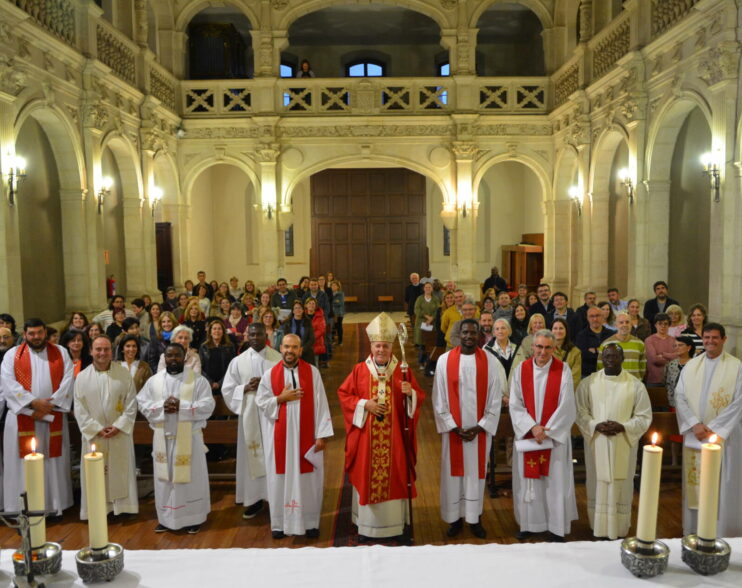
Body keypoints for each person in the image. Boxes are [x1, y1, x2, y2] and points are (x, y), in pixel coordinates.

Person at [337, 312, 425, 543]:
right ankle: (367, 527)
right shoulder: (359, 370)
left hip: (395, 440)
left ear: (391, 347)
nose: (381, 350)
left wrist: (410, 395)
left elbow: (418, 399)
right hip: (367, 439)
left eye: (385, 346)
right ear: (371, 346)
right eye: (377, 346)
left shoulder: (403, 371)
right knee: (368, 474)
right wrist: (366, 404)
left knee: (395, 475)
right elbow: (344, 395)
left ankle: (394, 526)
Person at [256, 334, 333, 538]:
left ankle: (310, 523)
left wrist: (322, 435)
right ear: (280, 348)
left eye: (294, 347)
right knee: (279, 479)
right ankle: (280, 525)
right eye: (286, 346)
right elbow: (261, 403)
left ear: (300, 350)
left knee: (309, 480)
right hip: (280, 438)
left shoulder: (312, 372)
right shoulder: (270, 375)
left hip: (306, 438)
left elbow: (322, 403)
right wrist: (280, 398)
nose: (290, 350)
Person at [433, 320, 504, 539]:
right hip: (454, 432)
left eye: (473, 333)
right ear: (459, 334)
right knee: (453, 476)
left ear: (479, 335)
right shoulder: (444, 361)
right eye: (465, 332)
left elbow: (495, 398)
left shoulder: (491, 362)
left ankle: (475, 519)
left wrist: (480, 427)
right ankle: (454, 519)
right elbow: (439, 397)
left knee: (476, 475)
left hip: (478, 433)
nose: (469, 336)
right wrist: (453, 427)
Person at [137, 342, 215, 534]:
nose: (173, 359)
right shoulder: (154, 381)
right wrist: (161, 407)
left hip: (190, 440)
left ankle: (193, 518)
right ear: (164, 357)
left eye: (177, 356)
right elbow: (142, 403)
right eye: (169, 356)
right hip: (163, 438)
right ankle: (166, 518)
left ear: (185, 356)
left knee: (191, 480)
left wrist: (183, 406)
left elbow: (208, 406)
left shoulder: (198, 381)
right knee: (165, 481)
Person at [575, 344, 651, 539]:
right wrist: (595, 425)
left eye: (615, 356)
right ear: (601, 357)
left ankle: (619, 528)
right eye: (607, 356)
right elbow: (580, 411)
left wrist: (623, 427)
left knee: (621, 483)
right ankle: (597, 526)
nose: (610, 359)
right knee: (597, 481)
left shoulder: (635, 385)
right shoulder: (589, 383)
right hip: (597, 442)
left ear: (622, 357)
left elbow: (644, 416)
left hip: (622, 442)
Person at [509, 330, 577, 542]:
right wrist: (532, 427)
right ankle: (529, 524)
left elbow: (567, 405)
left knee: (554, 482)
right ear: (533, 347)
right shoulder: (522, 369)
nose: (542, 351)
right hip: (529, 437)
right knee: (528, 482)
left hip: (552, 439)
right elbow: (515, 403)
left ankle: (556, 527)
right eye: (539, 346)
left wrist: (547, 430)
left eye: (548, 347)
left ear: (554, 348)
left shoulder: (563, 369)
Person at [674, 323, 742, 537]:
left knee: (723, 484)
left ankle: (722, 532)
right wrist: (695, 424)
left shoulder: (737, 367)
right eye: (706, 337)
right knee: (696, 485)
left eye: (714, 338)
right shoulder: (692, 366)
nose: (710, 341)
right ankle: (695, 530)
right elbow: (680, 396)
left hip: (724, 437)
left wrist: (713, 428)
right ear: (701, 339)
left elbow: (738, 402)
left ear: (723, 339)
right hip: (696, 436)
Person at [2, 318, 74, 515]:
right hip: (22, 417)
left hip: (53, 417)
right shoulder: (12, 355)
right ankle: (22, 508)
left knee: (52, 462)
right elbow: (8, 384)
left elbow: (68, 381)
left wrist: (49, 405)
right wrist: (34, 404)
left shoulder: (60, 352)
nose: (36, 337)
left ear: (45, 332)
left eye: (39, 333)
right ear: (25, 334)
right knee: (22, 466)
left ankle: (53, 506)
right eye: (31, 333)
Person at [74, 335, 139, 519]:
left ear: (112, 350)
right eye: (98, 349)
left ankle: (124, 508)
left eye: (106, 349)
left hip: (119, 434)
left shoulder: (123, 374)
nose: (102, 353)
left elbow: (132, 403)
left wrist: (119, 426)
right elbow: (79, 408)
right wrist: (95, 429)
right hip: (95, 436)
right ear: (91, 351)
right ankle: (96, 510)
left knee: (120, 470)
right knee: (97, 474)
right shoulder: (82, 377)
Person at [222, 323, 282, 520]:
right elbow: (228, 390)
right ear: (247, 336)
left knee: (273, 456)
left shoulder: (277, 359)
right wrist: (246, 387)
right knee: (251, 458)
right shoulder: (238, 362)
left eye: (259, 334)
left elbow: (286, 386)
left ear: (266, 334)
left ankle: (276, 498)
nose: (255, 337)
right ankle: (254, 499)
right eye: (252, 334)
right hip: (249, 416)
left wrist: (267, 387)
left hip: (272, 417)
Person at [597, 311, 647, 381]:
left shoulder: (640, 344)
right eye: (621, 322)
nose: (624, 325)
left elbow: (642, 368)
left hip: (634, 386)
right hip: (614, 386)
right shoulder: (606, 344)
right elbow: (600, 367)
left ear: (631, 324)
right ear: (616, 325)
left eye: (627, 322)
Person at [199, 319, 236, 395]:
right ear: (210, 332)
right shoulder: (204, 347)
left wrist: (220, 383)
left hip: (226, 383)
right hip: (207, 384)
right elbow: (200, 367)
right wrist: (210, 382)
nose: (217, 331)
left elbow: (232, 367)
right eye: (214, 329)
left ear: (223, 332)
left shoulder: (230, 346)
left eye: (219, 329)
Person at [575, 306, 612, 379]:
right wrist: (603, 351)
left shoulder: (610, 334)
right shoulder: (581, 336)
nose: (595, 319)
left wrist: (595, 350)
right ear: (587, 318)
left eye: (597, 315)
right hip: (588, 375)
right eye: (592, 316)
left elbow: (612, 355)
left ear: (602, 317)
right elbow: (584, 356)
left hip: (608, 375)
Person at [644, 313, 677, 386]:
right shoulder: (649, 340)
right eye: (660, 323)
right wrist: (670, 358)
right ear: (655, 325)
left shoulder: (674, 340)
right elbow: (654, 359)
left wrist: (663, 355)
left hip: (671, 379)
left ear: (669, 325)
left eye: (666, 324)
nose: (663, 326)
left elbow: (677, 358)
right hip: (654, 380)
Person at [665, 335, 695, 407]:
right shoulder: (671, 364)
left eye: (680, 345)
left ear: (689, 347)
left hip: (692, 403)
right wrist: (671, 401)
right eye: (675, 346)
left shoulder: (695, 364)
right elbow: (668, 384)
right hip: (675, 403)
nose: (677, 348)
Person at [413, 281, 439, 366]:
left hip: (432, 323)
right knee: (422, 344)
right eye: (426, 287)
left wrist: (432, 318)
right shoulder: (419, 298)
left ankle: (430, 361)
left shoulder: (435, 299)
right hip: (421, 323)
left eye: (429, 287)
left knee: (430, 342)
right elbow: (416, 309)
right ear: (424, 289)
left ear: (432, 289)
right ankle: (421, 361)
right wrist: (427, 317)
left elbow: (437, 310)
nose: (428, 289)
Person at [552, 318, 581, 387]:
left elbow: (575, 378)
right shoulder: (546, 350)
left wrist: (564, 392)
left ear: (566, 331)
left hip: (567, 390)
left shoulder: (575, 352)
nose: (558, 331)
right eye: (555, 328)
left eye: (561, 328)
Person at [283, 300, 315, 364]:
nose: (298, 310)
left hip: (306, 352)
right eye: (296, 308)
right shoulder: (287, 323)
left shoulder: (308, 322)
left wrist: (302, 349)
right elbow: (285, 339)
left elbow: (312, 339)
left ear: (303, 310)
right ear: (293, 311)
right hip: (291, 352)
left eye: (300, 308)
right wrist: (294, 349)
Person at [330, 280, 345, 346]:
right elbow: (330, 302)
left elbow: (340, 303)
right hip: (332, 313)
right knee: (332, 327)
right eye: (332, 285)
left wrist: (333, 302)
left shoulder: (341, 294)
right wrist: (335, 301)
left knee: (339, 327)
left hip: (339, 313)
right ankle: (333, 340)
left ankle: (340, 340)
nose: (333, 287)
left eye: (335, 285)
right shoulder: (330, 294)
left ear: (338, 287)